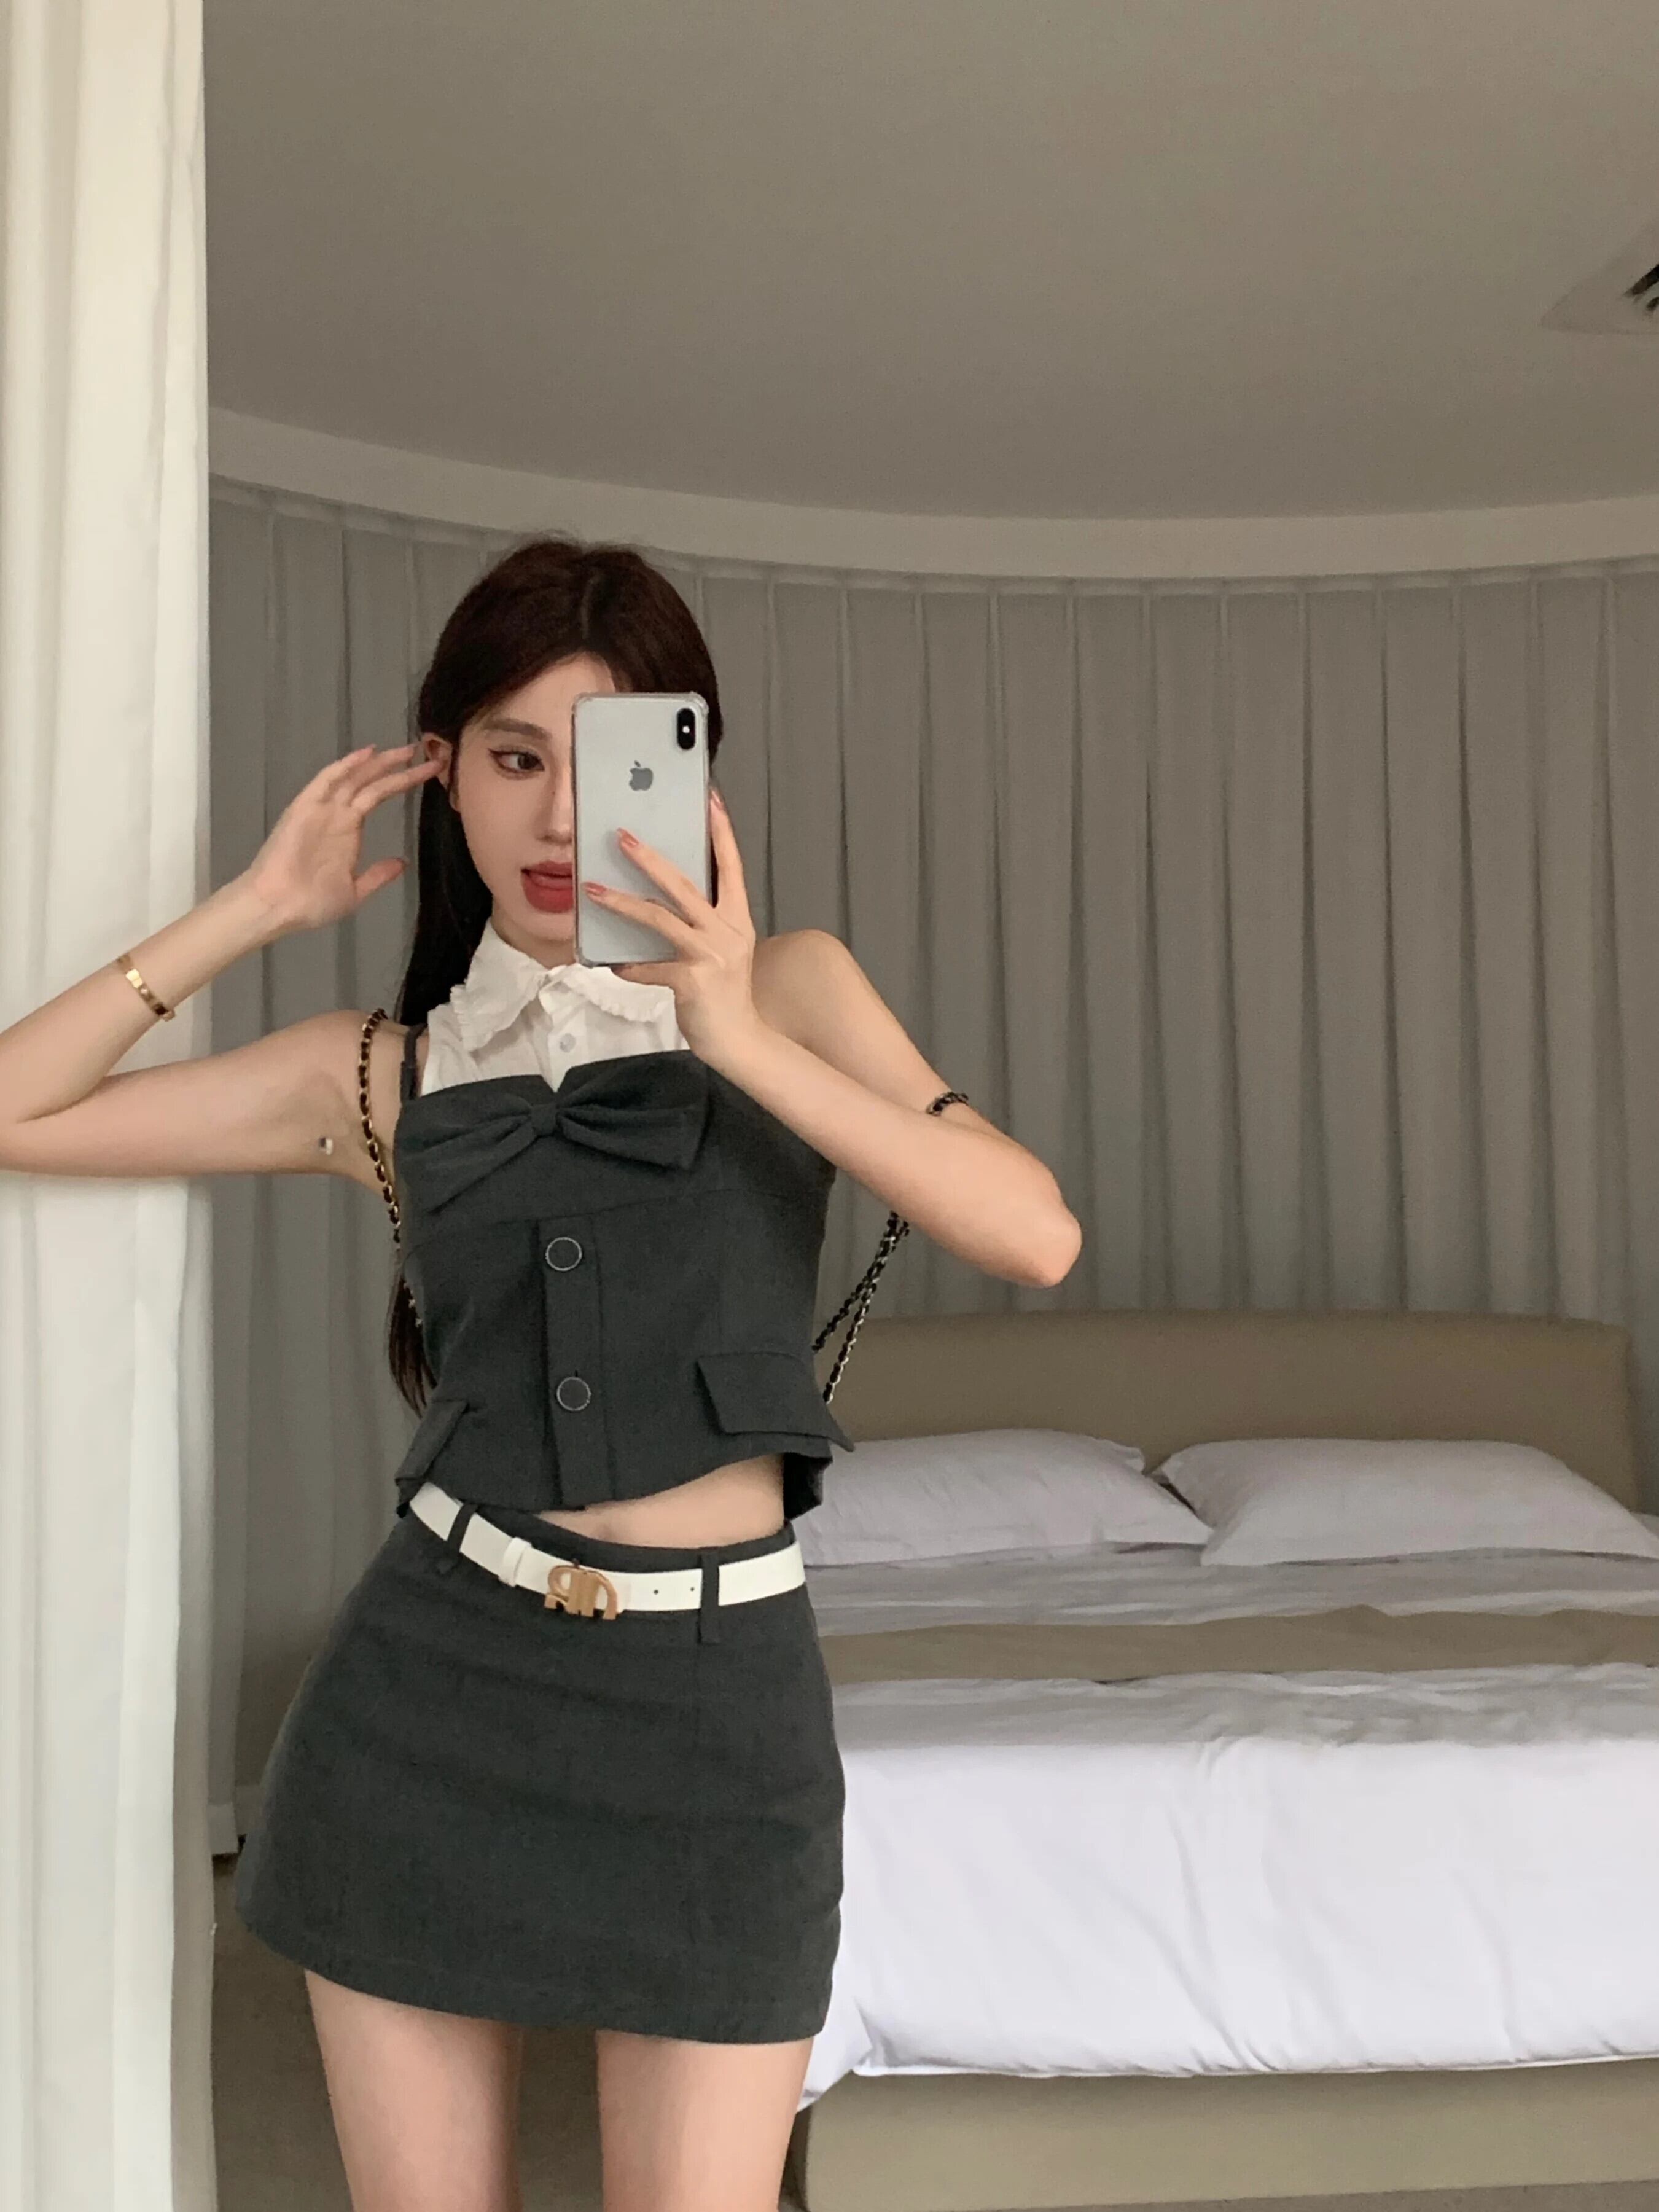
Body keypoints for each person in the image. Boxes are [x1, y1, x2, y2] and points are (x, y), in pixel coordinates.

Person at [0, 535, 1081, 2212]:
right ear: (445, 775)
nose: (563, 817)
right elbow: (19, 1108)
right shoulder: (384, 1072)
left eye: (609, 761)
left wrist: (732, 1034)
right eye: (514, 760)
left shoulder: (795, 990)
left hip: (722, 1710)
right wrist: (258, 906)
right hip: (427, 1700)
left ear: (690, 774)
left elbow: (1034, 1234)